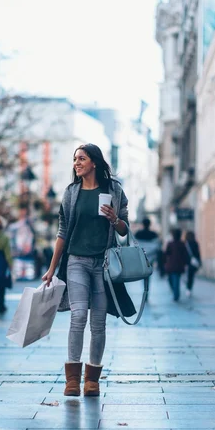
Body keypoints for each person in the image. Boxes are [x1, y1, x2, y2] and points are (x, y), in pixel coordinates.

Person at [42, 143, 133, 398]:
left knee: (99, 323)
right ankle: (72, 380)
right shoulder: (72, 193)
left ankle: (92, 380)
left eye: (81, 158)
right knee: (78, 315)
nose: (77, 163)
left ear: (94, 162)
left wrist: (114, 219)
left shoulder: (114, 190)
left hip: (103, 264)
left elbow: (125, 230)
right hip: (76, 262)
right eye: (74, 160)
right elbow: (62, 233)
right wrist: (51, 269)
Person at [165, 229, 189, 301]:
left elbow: (166, 253)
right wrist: (185, 263)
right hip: (179, 265)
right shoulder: (182, 244)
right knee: (176, 280)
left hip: (171, 265)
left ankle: (176, 294)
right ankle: (176, 294)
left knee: (171, 279)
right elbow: (185, 255)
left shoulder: (170, 243)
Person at [185, 231, 201, 297]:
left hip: (187, 262)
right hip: (194, 263)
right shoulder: (195, 243)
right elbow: (198, 253)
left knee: (188, 276)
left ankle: (188, 288)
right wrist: (199, 262)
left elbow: (184, 254)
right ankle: (189, 288)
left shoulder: (185, 243)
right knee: (191, 277)